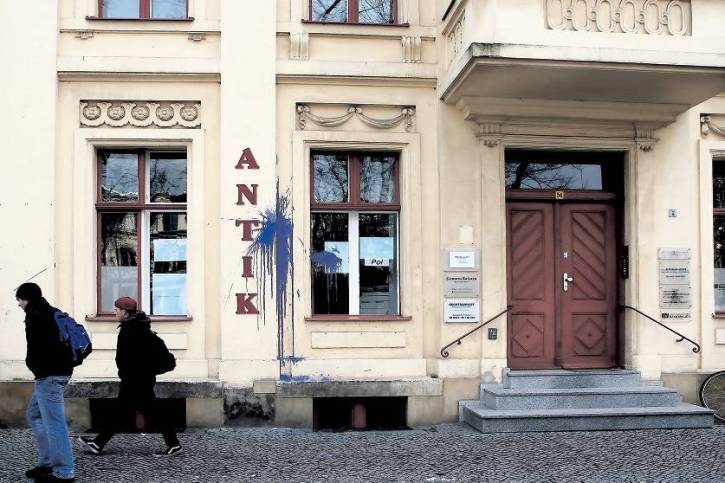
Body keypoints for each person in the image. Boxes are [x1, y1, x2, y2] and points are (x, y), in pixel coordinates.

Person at [77, 297, 182, 456]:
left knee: (137, 411)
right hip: (138, 379)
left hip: (135, 381)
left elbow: (129, 358)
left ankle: (99, 443)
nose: (115, 312)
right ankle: (98, 443)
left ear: (125, 312)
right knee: (126, 411)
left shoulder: (131, 330)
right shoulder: (136, 327)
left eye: (117, 309)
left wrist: (129, 373)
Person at [17, 282, 76, 482]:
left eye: (20, 300)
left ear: (27, 299)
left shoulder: (35, 315)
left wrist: (34, 366)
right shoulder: (51, 311)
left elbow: (36, 348)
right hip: (57, 372)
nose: (19, 304)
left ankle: (64, 472)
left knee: (54, 423)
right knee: (35, 414)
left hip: (49, 376)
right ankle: (48, 462)